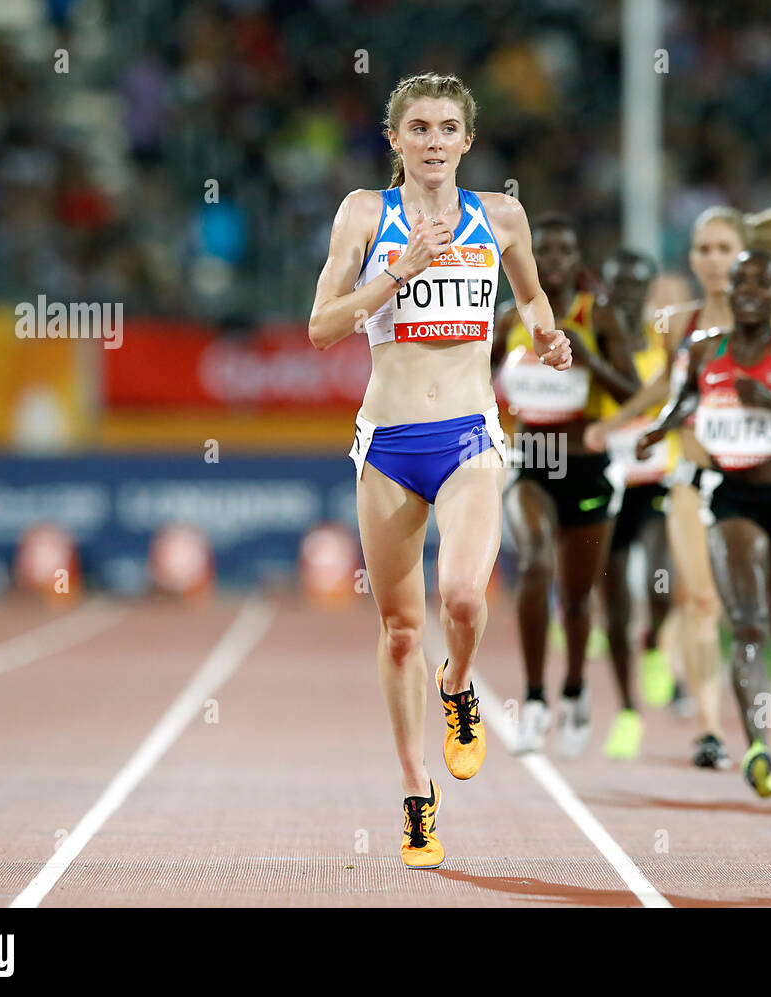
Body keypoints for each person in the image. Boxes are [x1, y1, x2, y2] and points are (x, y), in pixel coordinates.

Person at [308, 73, 572, 869]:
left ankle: (459, 688)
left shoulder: (502, 216)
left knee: (462, 595)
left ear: (466, 140)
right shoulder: (364, 212)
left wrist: (548, 340)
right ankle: (418, 794)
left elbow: (531, 302)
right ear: (395, 141)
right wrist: (398, 272)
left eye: (446, 127)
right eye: (416, 127)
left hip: (466, 436)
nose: (431, 140)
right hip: (388, 444)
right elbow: (321, 327)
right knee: (398, 633)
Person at [586, 206, 771, 770]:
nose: (710, 261)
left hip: (765, 479)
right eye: (701, 249)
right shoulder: (679, 325)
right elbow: (664, 390)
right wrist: (616, 424)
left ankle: (746, 712)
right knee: (700, 599)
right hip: (694, 477)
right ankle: (712, 731)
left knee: (762, 616)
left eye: (722, 249)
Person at [636, 250, 771, 797]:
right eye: (740, 280)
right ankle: (756, 746)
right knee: (746, 623)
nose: (747, 289)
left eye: (760, 281)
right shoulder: (702, 350)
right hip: (731, 499)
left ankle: (761, 710)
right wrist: (658, 430)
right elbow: (682, 402)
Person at [492, 216, 639, 758]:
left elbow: (635, 392)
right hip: (532, 460)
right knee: (534, 565)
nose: (552, 261)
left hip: (586, 466)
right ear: (526, 259)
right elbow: (474, 384)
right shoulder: (509, 319)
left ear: (577, 263)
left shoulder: (597, 316)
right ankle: (534, 700)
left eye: (563, 252)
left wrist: (589, 354)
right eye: (542, 251)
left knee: (578, 598)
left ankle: (575, 688)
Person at [593, 247, 674, 758]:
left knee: (662, 583)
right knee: (615, 603)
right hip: (605, 481)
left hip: (655, 479)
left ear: (648, 290)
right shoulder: (591, 339)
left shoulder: (664, 342)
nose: (626, 295)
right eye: (617, 285)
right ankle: (626, 710)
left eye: (635, 286)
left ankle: (655, 643)